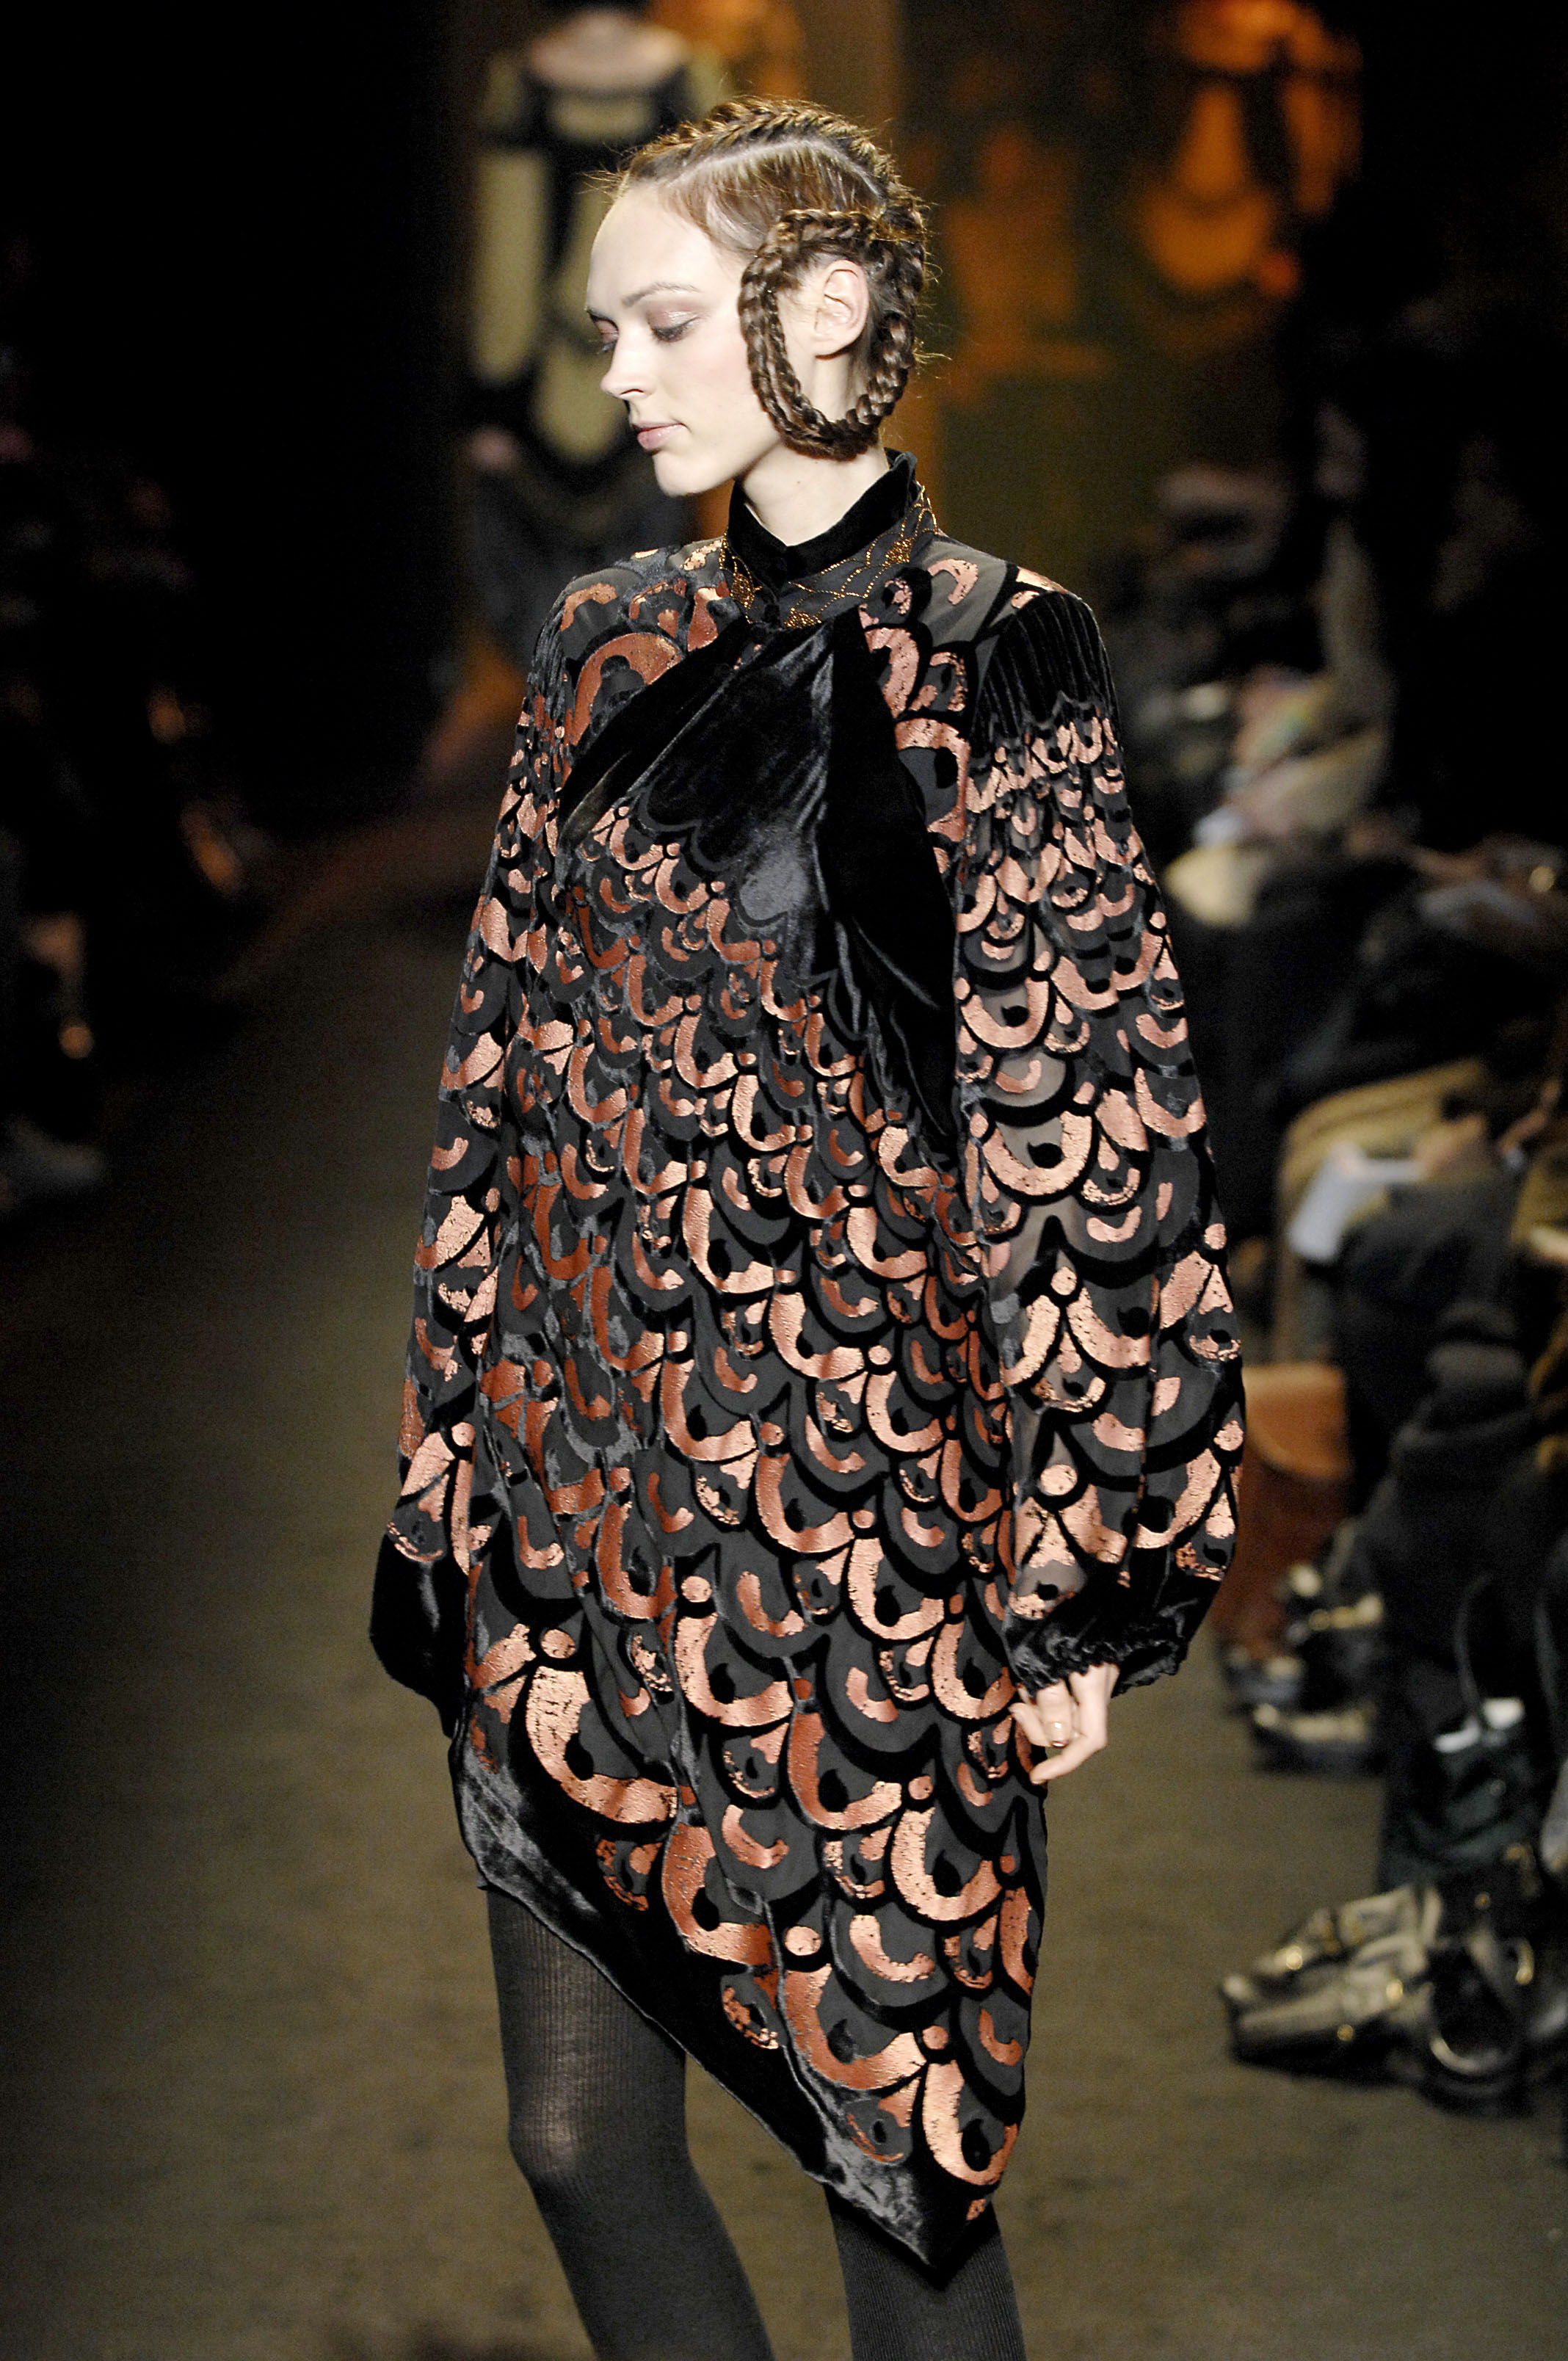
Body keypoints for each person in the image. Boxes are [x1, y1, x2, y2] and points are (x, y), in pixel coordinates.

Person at [374, 97, 1243, 2361]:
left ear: (829, 306)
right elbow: (495, 1069)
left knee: (897, 2180)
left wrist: (1091, 1561)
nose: (621, 379)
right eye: (605, 332)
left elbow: (1091, 1113)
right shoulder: (599, 638)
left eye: (664, 324)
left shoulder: (1003, 654)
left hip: (867, 1520)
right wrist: (453, 1459)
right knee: (576, 2135)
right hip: (576, 1497)